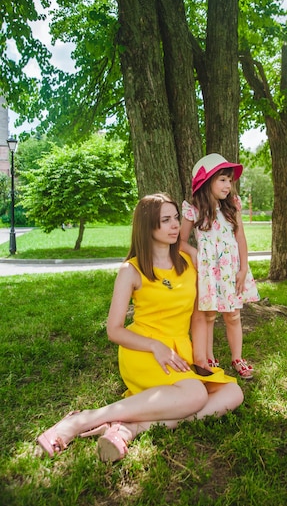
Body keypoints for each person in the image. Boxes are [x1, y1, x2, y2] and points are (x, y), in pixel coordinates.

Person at [37, 193, 243, 463]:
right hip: (143, 349)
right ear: (148, 227)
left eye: (176, 219)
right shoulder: (130, 270)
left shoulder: (189, 263)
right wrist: (155, 346)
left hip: (179, 352)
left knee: (232, 392)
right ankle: (83, 420)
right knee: (195, 395)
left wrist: (199, 358)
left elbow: (197, 318)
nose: (174, 226)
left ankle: (131, 428)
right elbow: (115, 330)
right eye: (165, 220)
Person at [180, 153, 260, 381]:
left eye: (230, 180)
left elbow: (241, 238)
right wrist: (193, 251)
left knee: (233, 315)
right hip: (208, 272)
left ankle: (237, 357)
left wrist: (243, 269)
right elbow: (180, 241)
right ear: (207, 182)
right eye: (222, 180)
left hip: (230, 269)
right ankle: (209, 356)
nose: (229, 185)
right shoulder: (193, 209)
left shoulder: (233, 206)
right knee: (208, 316)